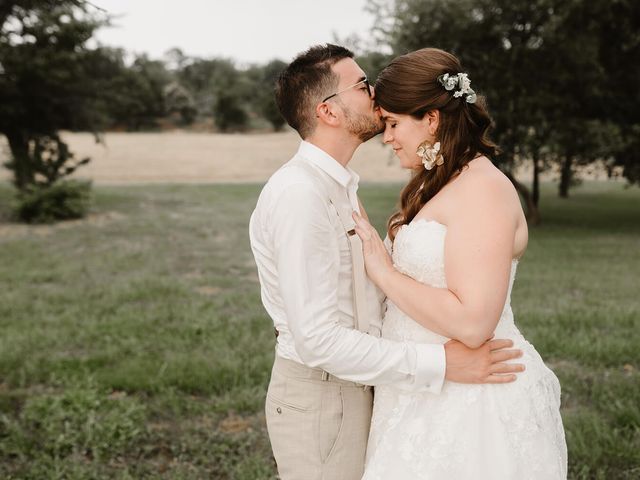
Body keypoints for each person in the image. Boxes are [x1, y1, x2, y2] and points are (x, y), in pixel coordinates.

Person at [249, 44, 525, 480]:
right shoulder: (300, 195)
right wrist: (442, 364)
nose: (374, 95)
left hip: (383, 387)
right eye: (361, 86)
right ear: (329, 112)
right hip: (326, 395)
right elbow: (317, 339)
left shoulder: (339, 185)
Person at [351, 47, 568, 479]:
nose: (387, 137)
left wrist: (384, 272)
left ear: (431, 119)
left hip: (469, 401)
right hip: (422, 387)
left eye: (393, 123)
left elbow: (473, 323)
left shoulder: (481, 189)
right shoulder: (443, 183)